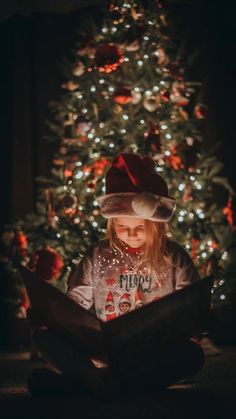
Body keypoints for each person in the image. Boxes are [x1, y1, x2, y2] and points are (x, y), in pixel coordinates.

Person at [28, 153, 205, 398]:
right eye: (123, 227)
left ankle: (86, 384)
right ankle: (111, 382)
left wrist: (195, 323)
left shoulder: (173, 256)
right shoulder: (97, 255)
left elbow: (191, 303)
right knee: (44, 337)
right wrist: (51, 317)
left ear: (155, 224)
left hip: (154, 353)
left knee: (193, 355)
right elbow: (74, 303)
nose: (131, 234)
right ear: (112, 223)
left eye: (140, 228)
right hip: (103, 354)